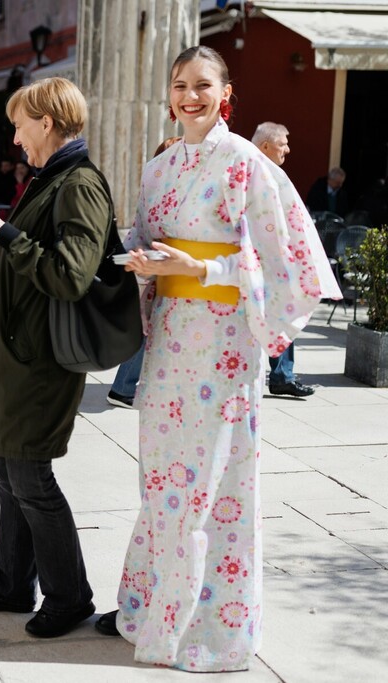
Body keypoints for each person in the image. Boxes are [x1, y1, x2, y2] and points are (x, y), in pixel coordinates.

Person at [97, 46, 339, 672]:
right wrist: (135, 261)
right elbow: (144, 244)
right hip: (171, 345)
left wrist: (201, 265)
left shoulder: (249, 165)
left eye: (203, 85)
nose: (190, 96)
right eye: (180, 85)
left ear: (225, 92)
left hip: (226, 347)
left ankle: (211, 628)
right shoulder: (159, 169)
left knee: (212, 488)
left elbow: (293, 265)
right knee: (161, 482)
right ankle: (153, 606)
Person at [0, 77, 109, 639]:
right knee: (11, 467)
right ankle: (13, 581)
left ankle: (70, 596)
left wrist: (5, 236)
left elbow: (70, 274)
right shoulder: (53, 178)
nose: (15, 138)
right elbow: (32, 255)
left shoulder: (80, 183)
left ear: (46, 122)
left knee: (30, 474)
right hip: (20, 353)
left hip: (41, 360)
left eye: (19, 125)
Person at [107, 136, 183, 409]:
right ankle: (123, 387)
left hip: (154, 265)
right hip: (154, 267)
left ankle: (127, 386)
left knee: (150, 327)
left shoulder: (159, 186)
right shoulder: (164, 188)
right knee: (147, 328)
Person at [252, 122, 316, 398]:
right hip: (254, 261)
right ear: (266, 145)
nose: (287, 149)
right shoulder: (255, 171)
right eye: (283, 144)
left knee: (285, 310)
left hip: (271, 260)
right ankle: (281, 375)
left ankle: (282, 375)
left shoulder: (270, 172)